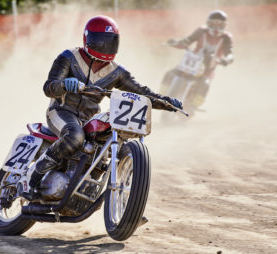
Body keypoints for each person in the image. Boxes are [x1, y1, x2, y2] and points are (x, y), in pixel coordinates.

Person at [21, 15, 182, 200]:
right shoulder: (69, 57)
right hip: (61, 111)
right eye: (99, 41)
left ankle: (129, 203)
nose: (104, 46)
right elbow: (49, 87)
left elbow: (142, 92)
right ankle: (33, 178)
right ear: (87, 38)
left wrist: (168, 103)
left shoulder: (116, 71)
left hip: (88, 117)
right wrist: (65, 84)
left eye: (110, 42)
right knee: (75, 136)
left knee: (110, 146)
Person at [160, 10, 234, 108]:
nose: (216, 27)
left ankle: (193, 106)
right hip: (191, 62)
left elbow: (230, 53)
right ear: (208, 23)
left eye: (219, 24)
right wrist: (176, 43)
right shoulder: (201, 31)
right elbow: (188, 40)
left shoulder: (226, 38)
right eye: (213, 23)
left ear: (224, 25)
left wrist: (226, 59)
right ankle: (160, 96)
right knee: (169, 74)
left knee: (205, 84)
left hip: (207, 69)